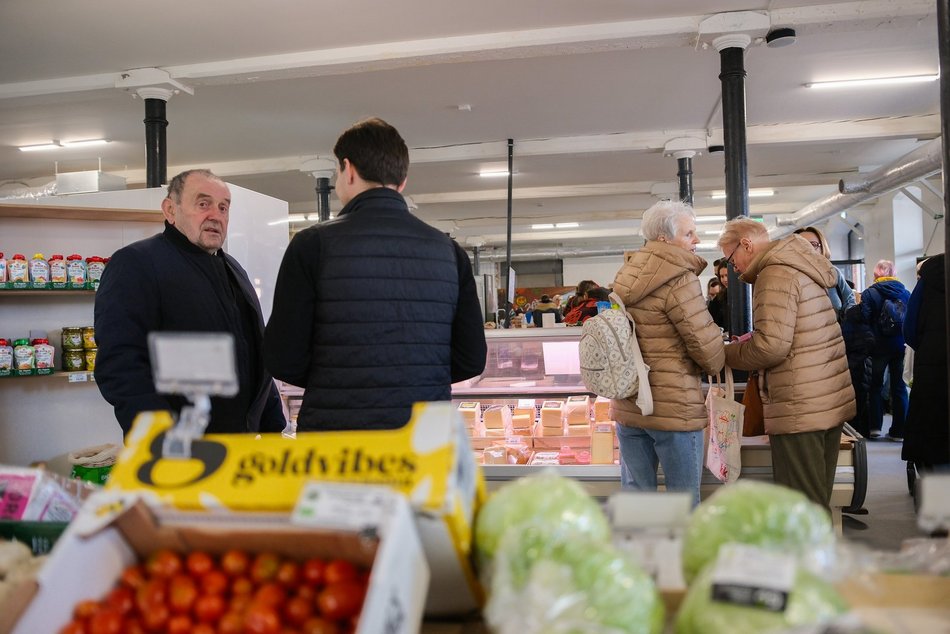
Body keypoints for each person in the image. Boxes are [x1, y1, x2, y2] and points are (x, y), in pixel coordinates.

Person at [263, 118, 487, 431]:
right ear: (403, 180)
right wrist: (417, 379)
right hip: (424, 437)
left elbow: (283, 357)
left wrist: (335, 379)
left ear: (348, 169)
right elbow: (472, 359)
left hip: (337, 438)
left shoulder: (312, 244)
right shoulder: (448, 251)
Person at [94, 169, 286, 436]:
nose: (216, 216)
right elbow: (120, 365)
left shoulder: (234, 269)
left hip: (242, 446)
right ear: (170, 210)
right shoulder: (137, 263)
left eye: (223, 207)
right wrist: (161, 439)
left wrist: (273, 426)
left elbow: (253, 352)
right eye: (203, 204)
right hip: (180, 449)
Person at [717, 218, 855, 509]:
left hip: (799, 405)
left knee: (801, 507)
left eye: (731, 259)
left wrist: (725, 353)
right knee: (816, 500)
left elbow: (771, 347)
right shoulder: (800, 266)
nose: (734, 267)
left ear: (747, 244)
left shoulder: (775, 274)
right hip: (824, 399)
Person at [611, 201, 725, 507]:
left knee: (637, 498)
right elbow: (706, 348)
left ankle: (641, 554)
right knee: (682, 500)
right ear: (665, 238)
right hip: (674, 408)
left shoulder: (626, 273)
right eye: (689, 234)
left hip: (630, 403)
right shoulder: (680, 278)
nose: (696, 240)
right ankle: (680, 556)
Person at [902, 254, 948, 472]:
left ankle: (939, 499)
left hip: (933, 366)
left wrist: (929, 347)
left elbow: (909, 328)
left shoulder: (928, 277)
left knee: (933, 435)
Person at [861, 260, 911, 441]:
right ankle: (899, 431)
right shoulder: (905, 292)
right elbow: (911, 318)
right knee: (899, 387)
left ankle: (874, 427)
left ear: (876, 274)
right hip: (899, 344)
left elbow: (864, 318)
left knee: (875, 386)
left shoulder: (870, 293)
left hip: (877, 346)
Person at [793, 226, 855, 318]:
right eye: (801, 244)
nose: (808, 248)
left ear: (822, 248)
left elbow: (849, 299)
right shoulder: (788, 277)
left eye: (813, 244)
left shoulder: (833, 273)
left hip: (837, 331)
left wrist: (850, 315)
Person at [707, 259, 730, 333]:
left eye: (727, 275)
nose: (724, 279)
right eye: (722, 276)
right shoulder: (719, 299)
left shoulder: (745, 296)